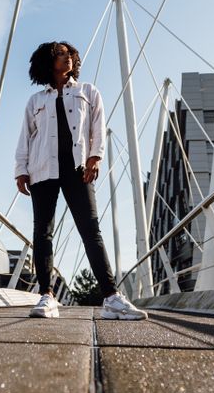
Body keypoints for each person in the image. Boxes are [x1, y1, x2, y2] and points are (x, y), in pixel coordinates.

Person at [14, 41, 147, 321]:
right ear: (49, 62)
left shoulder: (88, 92)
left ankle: (111, 297)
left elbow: (98, 126)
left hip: (77, 169)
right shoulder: (36, 101)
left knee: (90, 229)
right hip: (42, 170)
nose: (68, 58)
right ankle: (46, 296)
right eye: (61, 55)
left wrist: (95, 157)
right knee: (43, 232)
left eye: (69, 54)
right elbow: (25, 138)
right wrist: (20, 170)